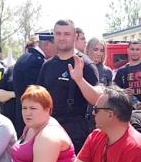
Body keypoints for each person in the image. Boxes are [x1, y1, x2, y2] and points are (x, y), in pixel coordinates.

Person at [37, 19, 100, 152]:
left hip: (76, 135)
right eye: (58, 33)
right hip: (49, 131)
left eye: (66, 34)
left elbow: (97, 99)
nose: (62, 38)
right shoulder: (47, 66)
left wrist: (79, 80)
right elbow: (38, 99)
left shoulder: (86, 65)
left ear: (75, 36)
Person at [12, 32, 56, 135]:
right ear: (48, 44)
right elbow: (37, 93)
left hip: (24, 114)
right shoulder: (37, 62)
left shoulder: (25, 57)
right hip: (32, 118)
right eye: (56, 45)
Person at [115, 40, 141, 111]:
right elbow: (114, 91)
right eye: (132, 49)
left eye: (137, 49)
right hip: (128, 112)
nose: (134, 52)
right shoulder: (121, 71)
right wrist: (122, 92)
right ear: (128, 50)